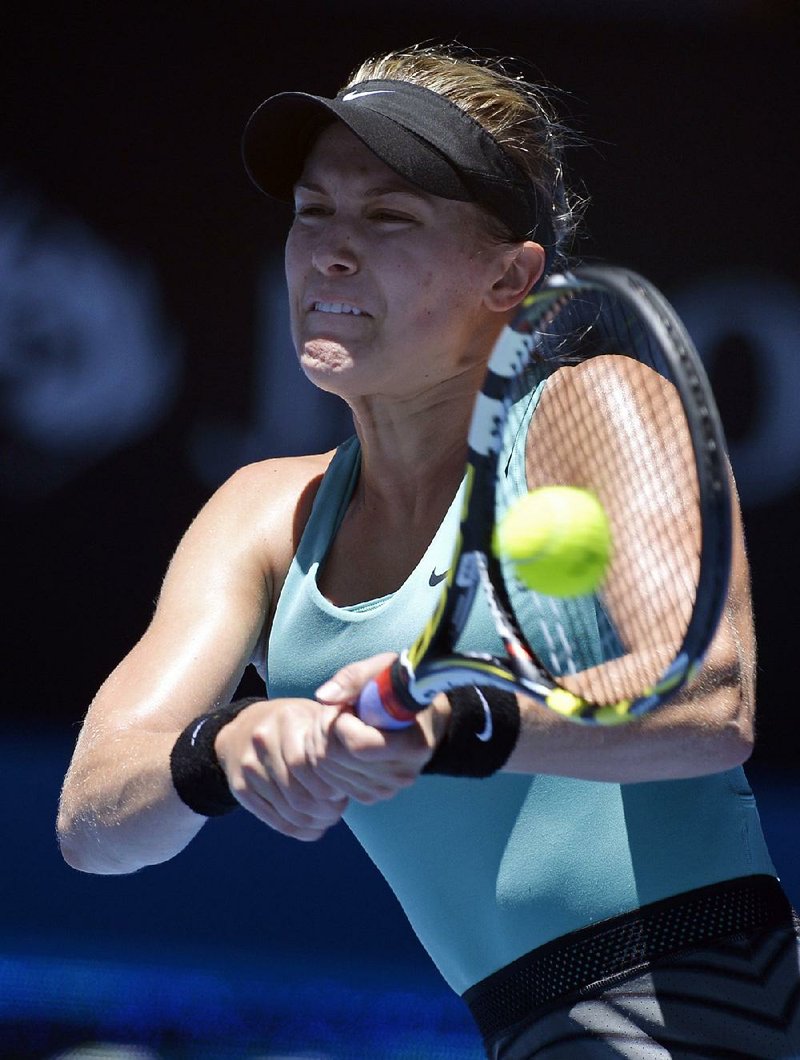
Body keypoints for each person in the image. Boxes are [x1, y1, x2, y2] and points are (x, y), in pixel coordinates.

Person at [57, 45, 800, 1059]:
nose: (328, 250)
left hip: (716, 1002)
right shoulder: (258, 514)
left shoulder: (594, 408)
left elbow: (708, 707)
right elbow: (94, 819)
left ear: (510, 276)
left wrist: (455, 722)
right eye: (311, 211)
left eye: (389, 218)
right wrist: (223, 750)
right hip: (525, 1034)